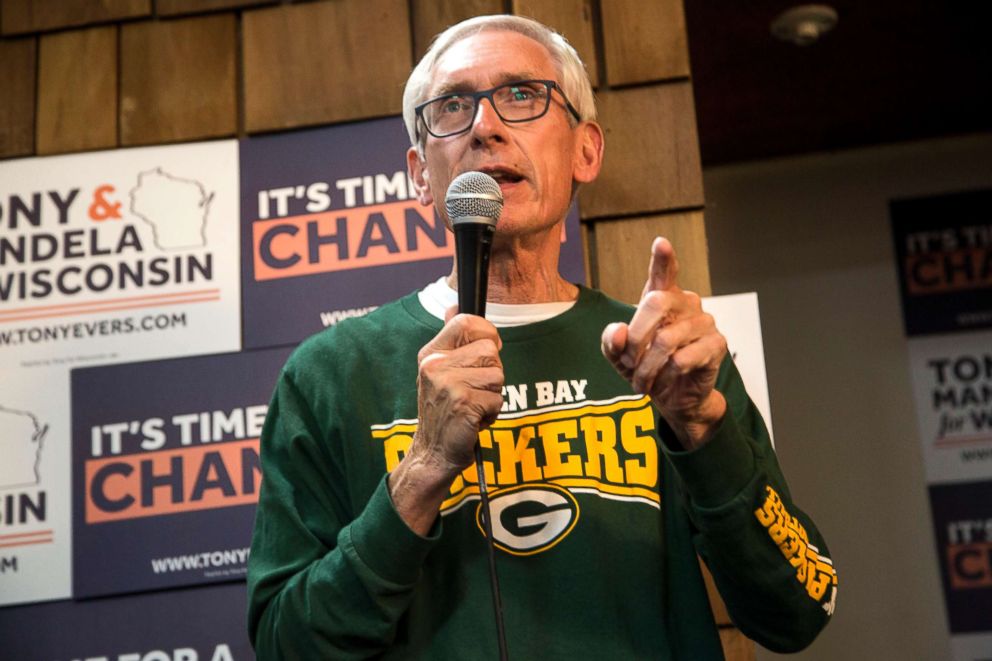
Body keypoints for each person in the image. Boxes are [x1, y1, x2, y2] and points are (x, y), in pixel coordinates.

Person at [247, 14, 837, 660]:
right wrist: (421, 472)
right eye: (453, 105)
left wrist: (703, 429)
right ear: (420, 174)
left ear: (587, 149)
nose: (484, 126)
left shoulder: (666, 357)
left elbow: (801, 605)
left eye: (522, 95)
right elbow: (285, 644)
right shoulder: (329, 375)